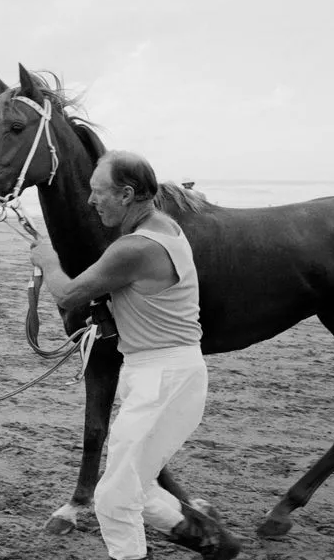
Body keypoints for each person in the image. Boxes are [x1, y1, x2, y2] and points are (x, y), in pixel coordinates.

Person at [29, 150, 240, 560]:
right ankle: (212, 541)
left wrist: (48, 259)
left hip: (161, 381)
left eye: (98, 192)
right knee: (135, 486)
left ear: (126, 195)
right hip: (169, 375)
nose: (90, 201)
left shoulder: (135, 248)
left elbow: (68, 293)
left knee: (112, 497)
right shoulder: (165, 228)